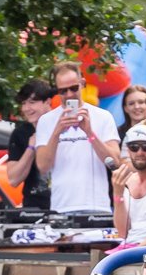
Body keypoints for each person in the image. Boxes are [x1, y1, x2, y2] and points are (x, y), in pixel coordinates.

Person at [36, 61, 121, 217]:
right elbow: (42, 166)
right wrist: (57, 132)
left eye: (73, 88)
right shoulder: (47, 121)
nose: (69, 94)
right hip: (61, 207)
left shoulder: (103, 117)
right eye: (62, 91)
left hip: (97, 206)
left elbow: (114, 162)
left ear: (82, 84)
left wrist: (90, 133)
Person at [5, 80, 55, 212]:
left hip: (65, 204)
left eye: (32, 102)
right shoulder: (20, 133)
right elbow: (13, 180)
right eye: (23, 103)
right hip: (34, 207)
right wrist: (30, 149)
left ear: (48, 102)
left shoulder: (64, 125)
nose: (26, 108)